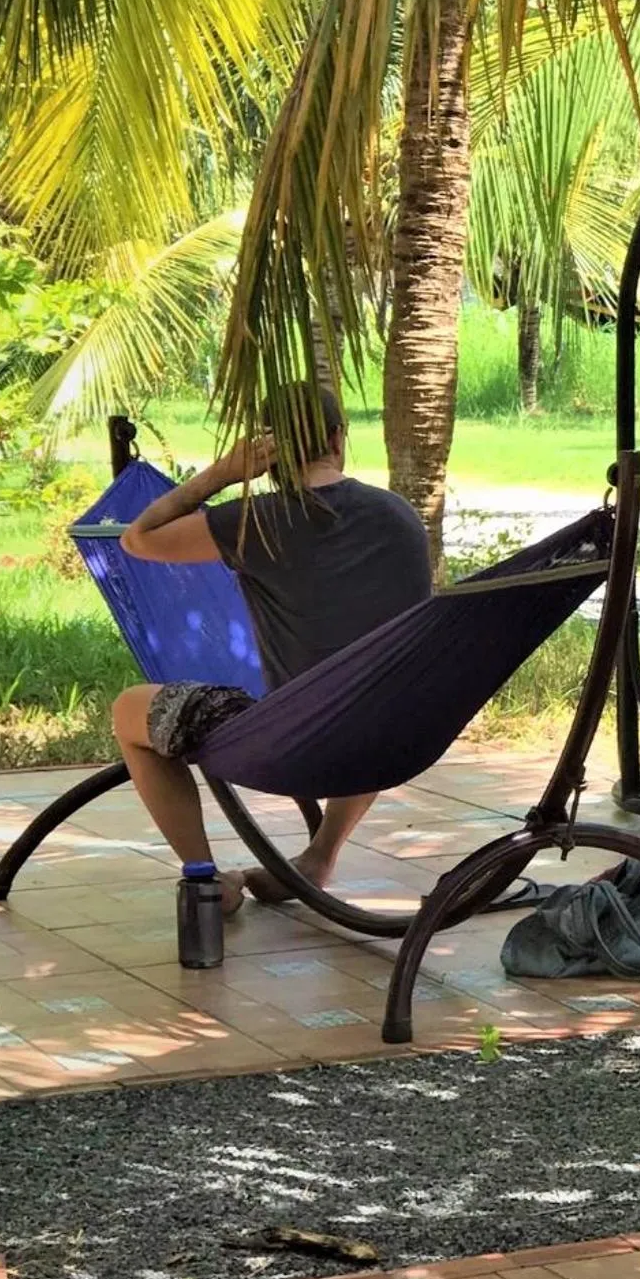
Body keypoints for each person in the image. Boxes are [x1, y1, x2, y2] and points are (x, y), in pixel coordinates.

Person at [111, 387, 432, 913]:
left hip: (296, 747)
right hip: (398, 742)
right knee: (371, 688)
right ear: (337, 438)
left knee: (130, 710)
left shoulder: (256, 520)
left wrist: (220, 474)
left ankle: (203, 880)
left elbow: (139, 539)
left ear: (270, 451)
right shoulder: (399, 517)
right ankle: (320, 856)